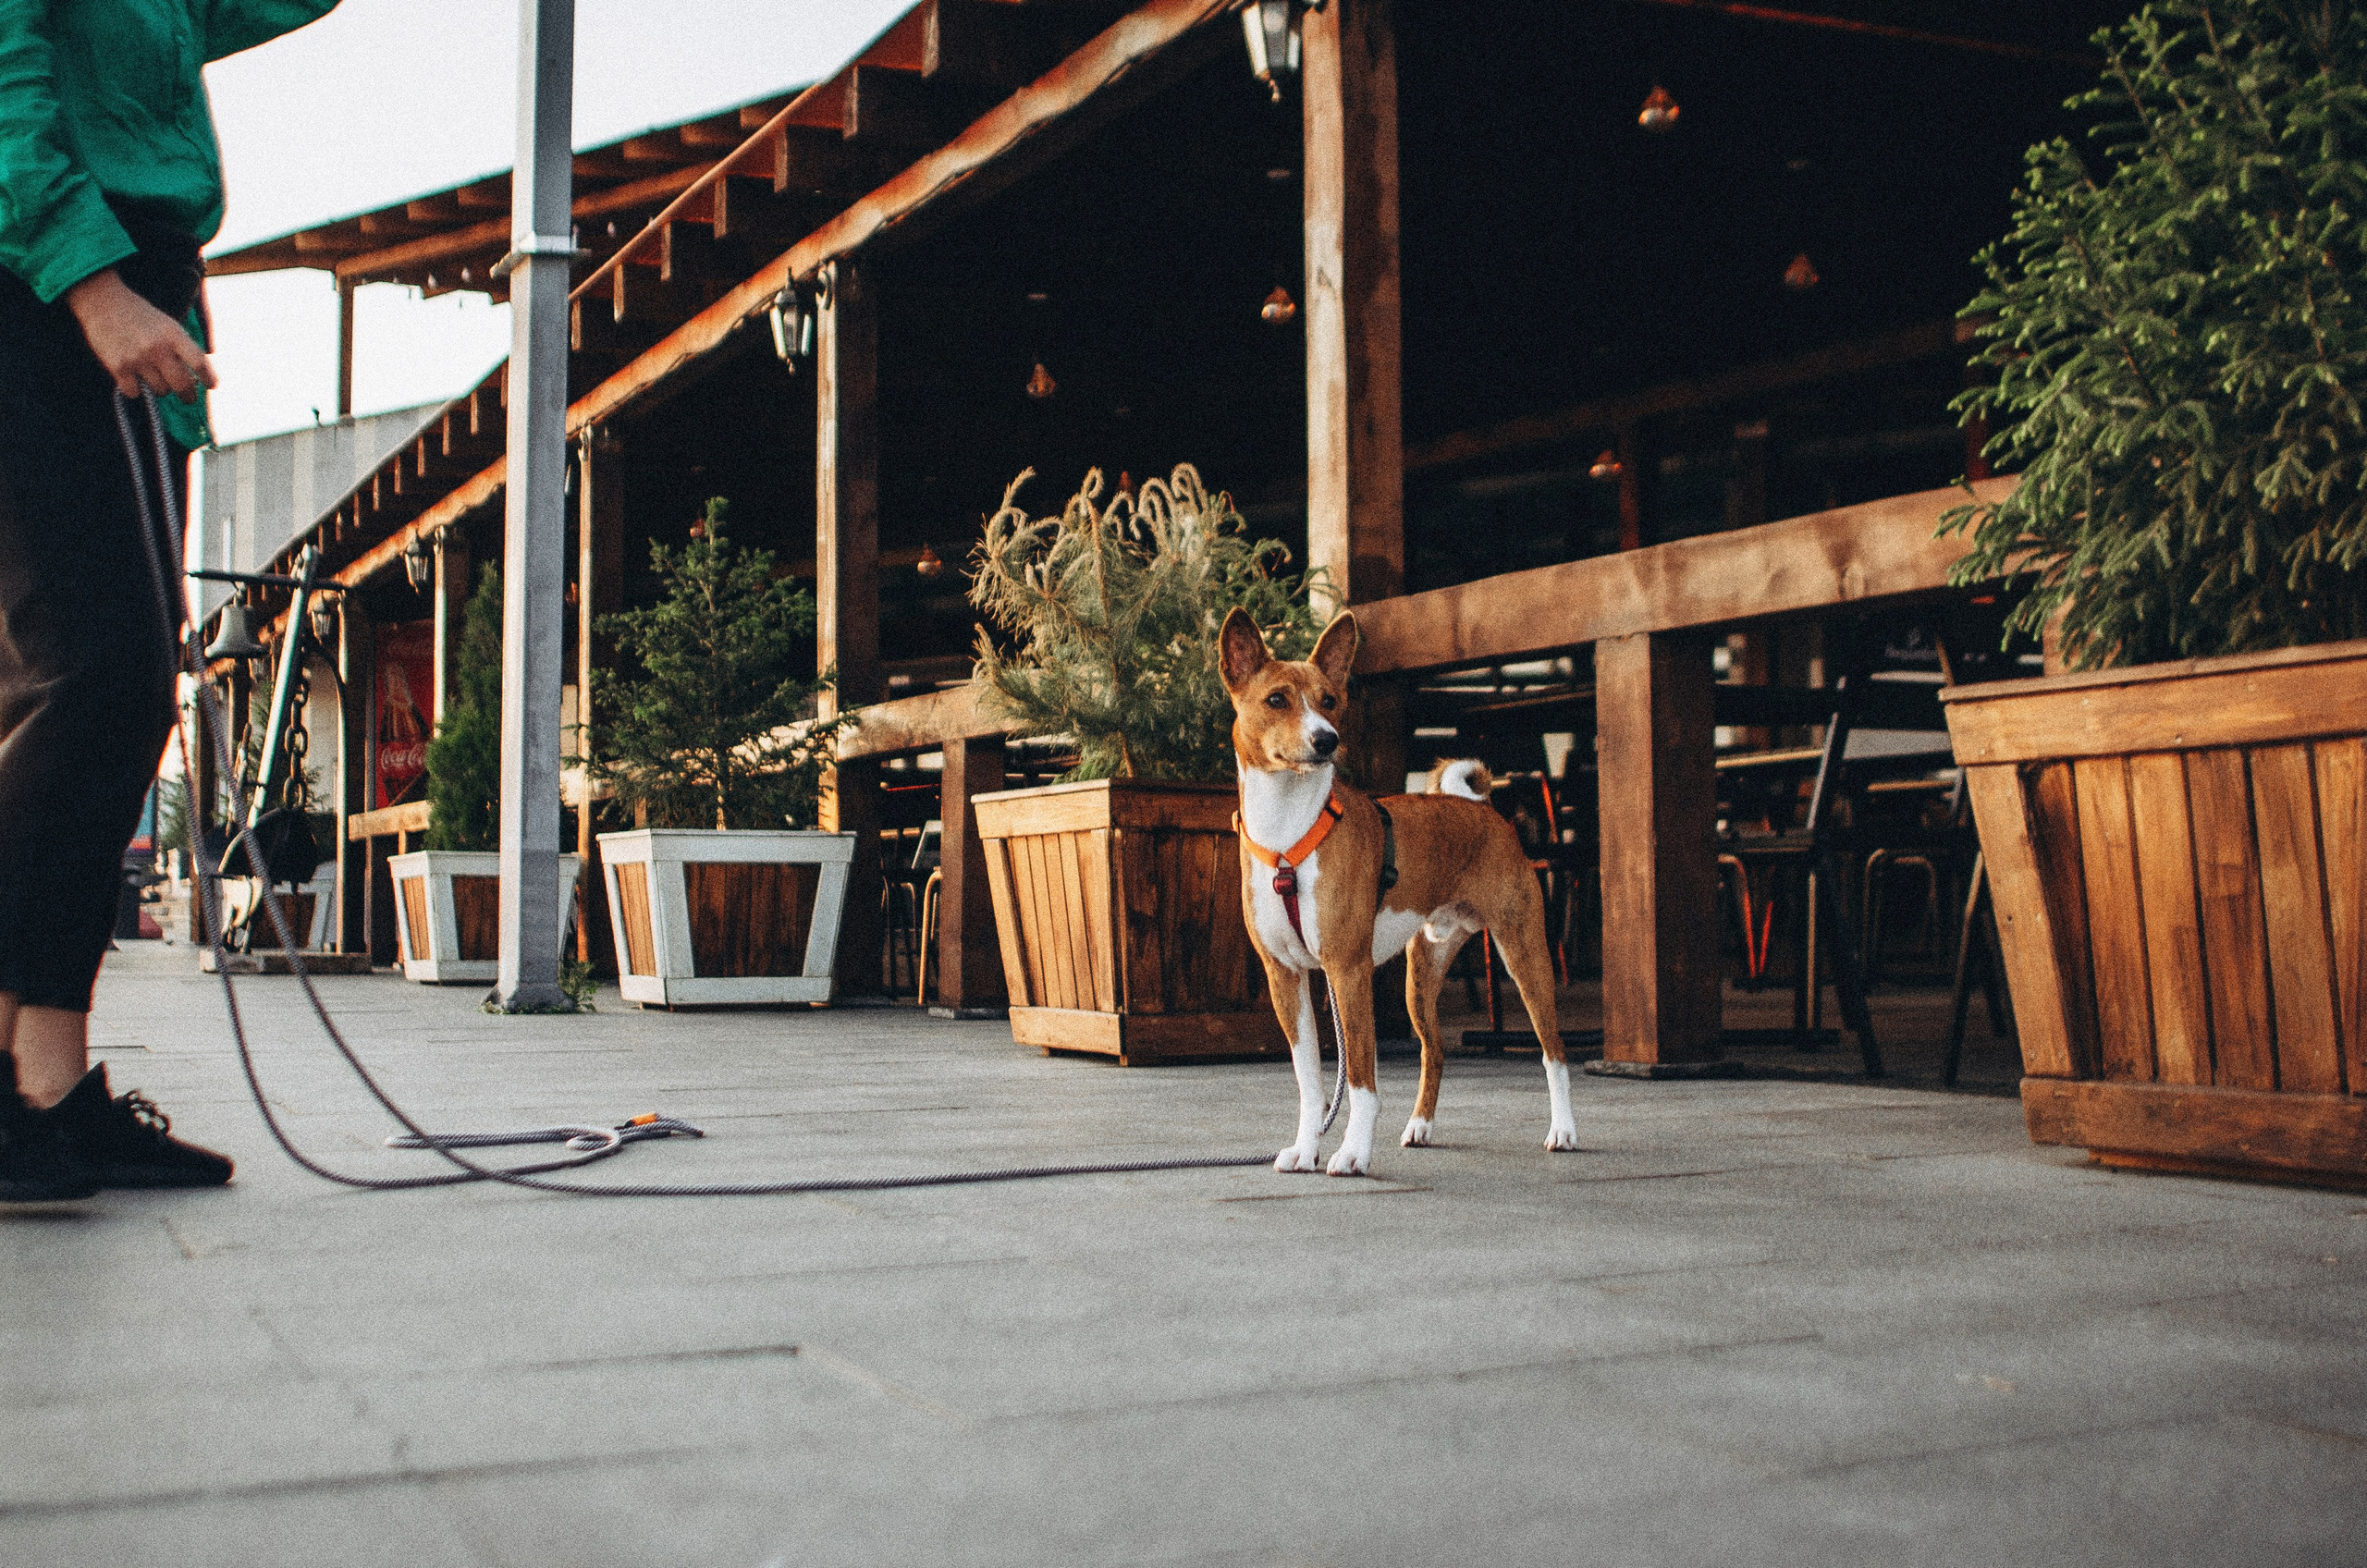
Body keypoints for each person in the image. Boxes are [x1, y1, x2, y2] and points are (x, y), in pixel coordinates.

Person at [0, 1, 341, 1201]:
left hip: (133, 290)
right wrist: (93, 291)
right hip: (45, 288)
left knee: (119, 697)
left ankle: (46, 1087)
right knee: (89, 679)